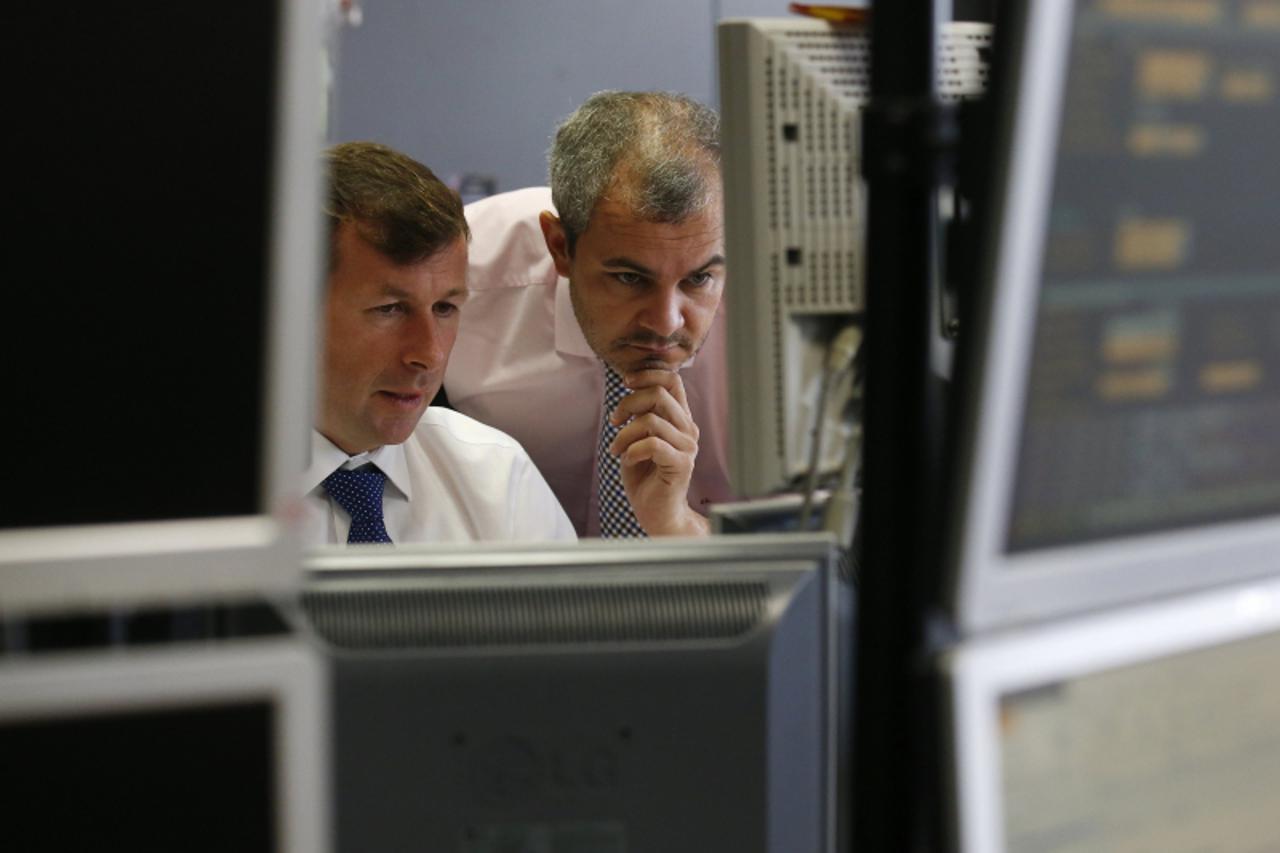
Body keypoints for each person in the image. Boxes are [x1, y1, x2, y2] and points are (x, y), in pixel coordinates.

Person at [445, 91, 733, 539]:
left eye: (697, 281)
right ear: (560, 246)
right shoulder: (456, 281)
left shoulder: (787, 318)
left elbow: (836, 559)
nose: (665, 323)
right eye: (629, 278)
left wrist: (679, 526)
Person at [299, 141, 575, 545]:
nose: (429, 354)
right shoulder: (195, 505)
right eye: (390, 309)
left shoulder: (496, 480)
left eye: (445, 307)